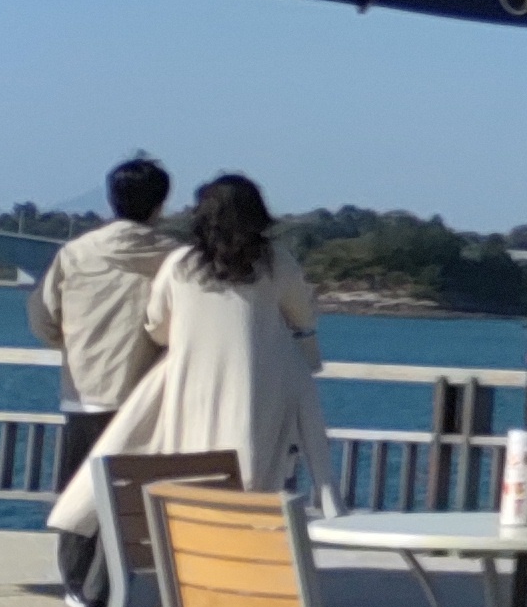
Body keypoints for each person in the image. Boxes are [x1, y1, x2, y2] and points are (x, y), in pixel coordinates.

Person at [46, 175, 334, 578]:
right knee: (258, 480)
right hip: (260, 396)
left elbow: (157, 326)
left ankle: (183, 574)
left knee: (189, 475)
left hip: (188, 394)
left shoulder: (181, 265)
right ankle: (244, 574)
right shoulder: (276, 263)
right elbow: (302, 316)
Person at [30, 156, 175, 607]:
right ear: (160, 203)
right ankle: (107, 584)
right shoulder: (175, 257)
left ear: (112, 199)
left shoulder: (76, 252)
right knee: (131, 496)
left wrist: (74, 345)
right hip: (147, 395)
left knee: (79, 488)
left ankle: (77, 583)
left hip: (84, 390)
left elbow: (43, 316)